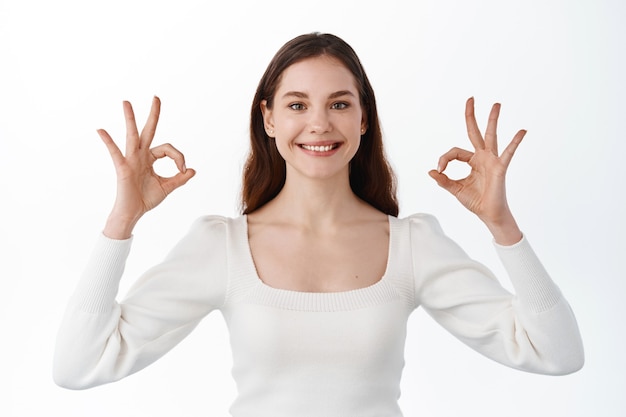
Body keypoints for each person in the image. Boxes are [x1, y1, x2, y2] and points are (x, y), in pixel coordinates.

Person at [53, 33, 584, 416]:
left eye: (339, 104)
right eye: (297, 104)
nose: (319, 123)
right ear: (268, 119)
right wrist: (121, 222)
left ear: (363, 119)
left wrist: (503, 225)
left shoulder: (412, 245)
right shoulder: (222, 247)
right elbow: (78, 366)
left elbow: (556, 354)